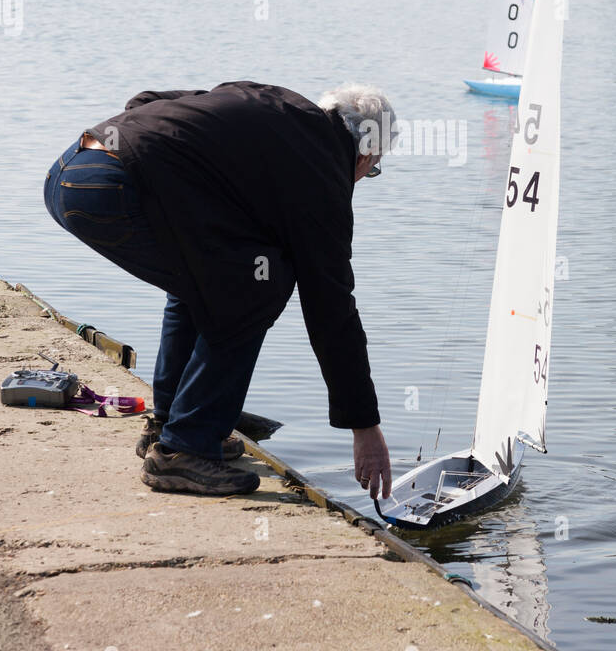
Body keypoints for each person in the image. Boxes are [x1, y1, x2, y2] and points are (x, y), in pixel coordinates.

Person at [43, 81, 396, 500]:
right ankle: (183, 450)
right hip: (109, 191)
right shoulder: (322, 174)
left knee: (208, 278)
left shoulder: (269, 102)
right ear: (366, 152)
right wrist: (365, 426)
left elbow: (145, 103)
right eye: (370, 170)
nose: (362, 177)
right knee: (255, 289)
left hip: (71, 167)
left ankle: (174, 422)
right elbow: (332, 309)